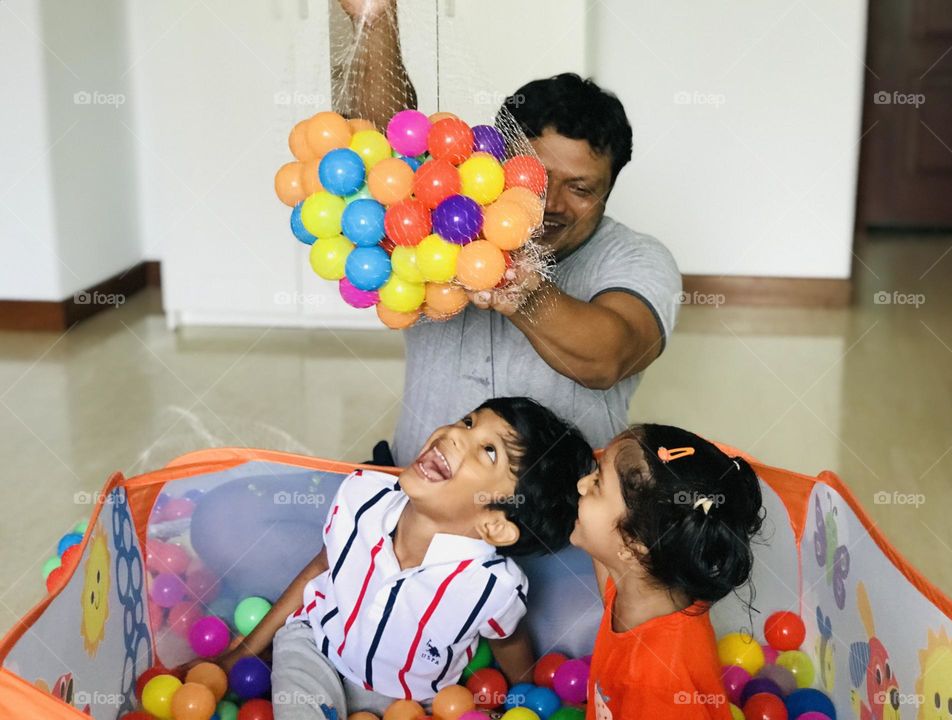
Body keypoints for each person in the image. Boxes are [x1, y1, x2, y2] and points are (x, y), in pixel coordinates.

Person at [337, 1, 682, 467]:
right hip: (421, 488)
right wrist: (375, 19)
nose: (551, 203)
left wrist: (522, 290)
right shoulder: (447, 223)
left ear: (608, 190)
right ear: (496, 164)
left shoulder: (638, 257)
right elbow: (389, 153)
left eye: (580, 188)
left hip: (561, 506)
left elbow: (609, 358)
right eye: (535, 177)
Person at [210, 397, 593, 718]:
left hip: (406, 699)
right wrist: (242, 653)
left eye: (488, 451)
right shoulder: (361, 497)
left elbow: (508, 639)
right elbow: (320, 567)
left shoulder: (492, 586)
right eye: (468, 421)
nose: (456, 434)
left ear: (494, 525)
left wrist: (524, 697)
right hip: (315, 648)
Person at [571, 424, 764, 719]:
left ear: (633, 546)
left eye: (597, 483)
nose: (581, 485)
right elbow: (602, 543)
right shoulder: (641, 582)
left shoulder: (658, 684)